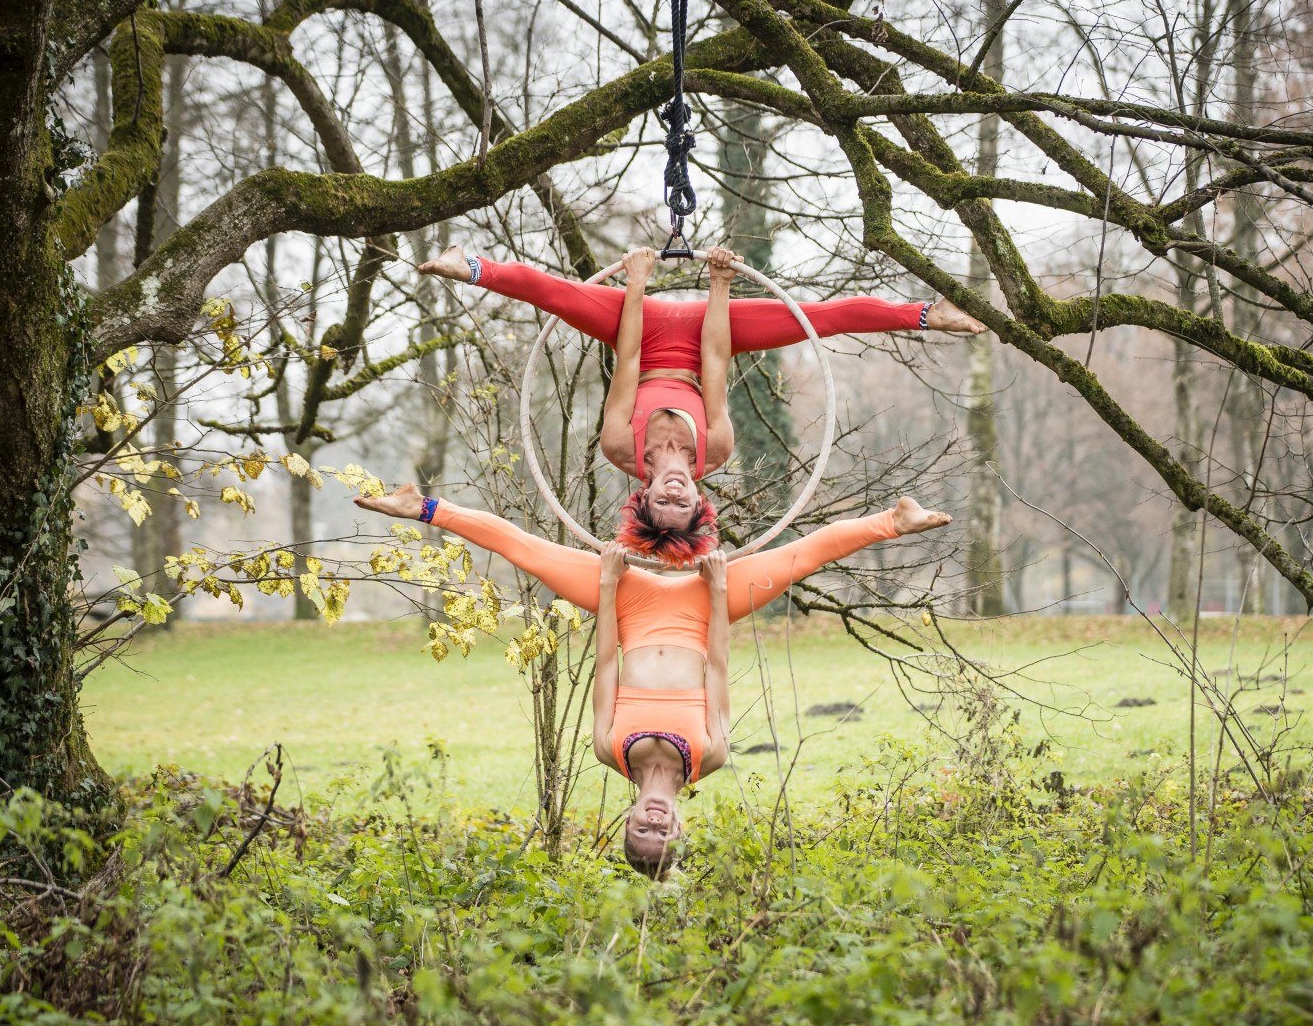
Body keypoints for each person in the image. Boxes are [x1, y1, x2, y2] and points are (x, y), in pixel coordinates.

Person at [354, 483, 952, 879]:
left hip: (630, 607)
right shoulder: (710, 756)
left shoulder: (609, 749)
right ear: (681, 825)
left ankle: (422, 506)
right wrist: (718, 593)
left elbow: (608, 663)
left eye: (642, 830)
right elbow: (717, 668)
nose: (655, 823)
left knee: (523, 548)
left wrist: (610, 586)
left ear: (629, 818)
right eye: (663, 833)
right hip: (701, 610)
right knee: (803, 555)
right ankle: (892, 521)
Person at [419, 246, 985, 563]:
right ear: (697, 498)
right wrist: (718, 284)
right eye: (683, 505)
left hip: (634, 329)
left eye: (662, 504)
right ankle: (923, 313)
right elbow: (714, 362)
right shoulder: (713, 449)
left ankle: (470, 266)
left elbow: (630, 359)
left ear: (643, 498)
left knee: (553, 291)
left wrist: (637, 284)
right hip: (705, 341)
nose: (674, 494)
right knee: (820, 317)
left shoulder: (622, 446)